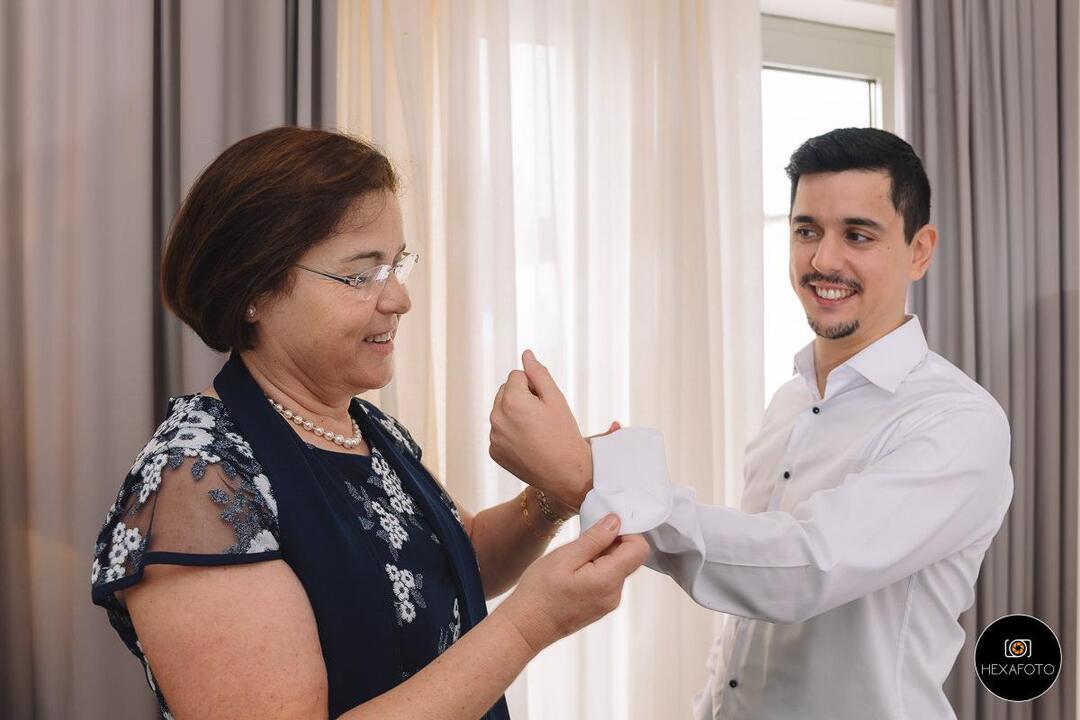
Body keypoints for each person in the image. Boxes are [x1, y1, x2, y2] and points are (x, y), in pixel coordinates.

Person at [90, 126, 649, 720]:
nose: (400, 299)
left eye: (396, 263)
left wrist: (553, 491)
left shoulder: (363, 427)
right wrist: (529, 625)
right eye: (362, 274)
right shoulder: (197, 480)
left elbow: (456, 563)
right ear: (254, 289)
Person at [489, 128, 1014, 719]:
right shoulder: (789, 401)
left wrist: (590, 478)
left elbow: (802, 571)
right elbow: (748, 604)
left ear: (920, 250)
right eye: (806, 231)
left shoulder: (958, 422)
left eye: (858, 235)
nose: (824, 260)